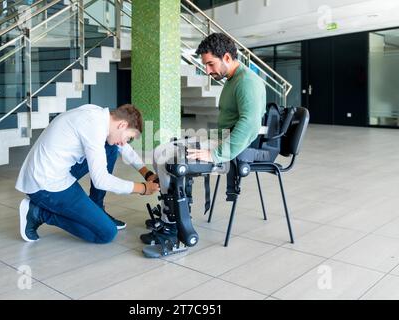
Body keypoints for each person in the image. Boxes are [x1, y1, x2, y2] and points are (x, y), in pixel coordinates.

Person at [140, 33, 267, 245]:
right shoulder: (233, 79)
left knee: (169, 158)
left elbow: (250, 125)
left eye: (210, 64)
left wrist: (215, 154)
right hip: (220, 138)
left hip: (229, 148)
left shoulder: (247, 82)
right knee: (160, 151)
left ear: (227, 57)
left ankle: (172, 222)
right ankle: (173, 212)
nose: (207, 71)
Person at [15, 103, 160, 244]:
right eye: (128, 137)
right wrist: (143, 188)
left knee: (111, 148)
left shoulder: (99, 115)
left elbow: (124, 148)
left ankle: (97, 207)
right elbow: (101, 180)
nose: (124, 142)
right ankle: (38, 213)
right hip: (44, 184)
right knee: (106, 233)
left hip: (52, 169)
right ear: (122, 125)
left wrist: (146, 173)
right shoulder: (94, 128)